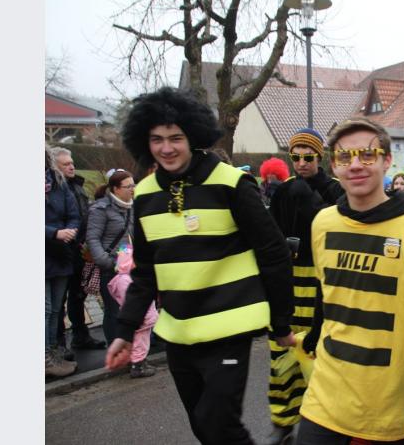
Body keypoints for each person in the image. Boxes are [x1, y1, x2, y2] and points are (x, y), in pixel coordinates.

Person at [105, 87, 295, 445]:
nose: (166, 148)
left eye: (176, 137)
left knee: (219, 424)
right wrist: (125, 330)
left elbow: (273, 252)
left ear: (193, 136)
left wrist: (281, 319)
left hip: (230, 328)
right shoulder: (144, 194)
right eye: (157, 139)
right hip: (178, 331)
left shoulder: (232, 184)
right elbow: (144, 271)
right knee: (202, 427)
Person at [297, 118, 404, 444]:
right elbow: (326, 294)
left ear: (387, 160)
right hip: (324, 397)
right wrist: (313, 335)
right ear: (334, 166)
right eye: (344, 157)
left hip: (389, 406)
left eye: (367, 155)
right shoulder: (323, 223)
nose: (355, 165)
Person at [265, 128, 345, 444]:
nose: (300, 163)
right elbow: (270, 232)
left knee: (319, 356)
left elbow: (337, 229)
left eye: (307, 157)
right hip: (288, 279)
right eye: (295, 157)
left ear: (319, 156)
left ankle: (325, 424)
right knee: (282, 354)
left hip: (320, 281)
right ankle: (283, 423)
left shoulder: (334, 189)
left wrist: (310, 200)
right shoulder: (283, 189)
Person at [50, 147, 106, 354]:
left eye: (72, 162)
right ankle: (58, 344)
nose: (72, 166)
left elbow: (85, 215)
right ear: (55, 167)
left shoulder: (78, 187)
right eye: (66, 164)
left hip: (80, 249)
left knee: (79, 295)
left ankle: (81, 336)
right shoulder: (54, 190)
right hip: (61, 250)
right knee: (58, 301)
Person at [86, 169, 136, 347]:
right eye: (128, 186)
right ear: (115, 189)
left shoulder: (133, 206)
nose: (132, 189)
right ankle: (115, 348)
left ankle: (132, 348)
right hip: (111, 268)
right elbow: (92, 239)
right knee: (113, 310)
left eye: (133, 185)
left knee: (131, 308)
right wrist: (107, 262)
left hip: (131, 266)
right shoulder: (101, 209)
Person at [45, 145, 80, 377]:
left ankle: (52, 352)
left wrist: (71, 231)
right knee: (44, 308)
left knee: (56, 309)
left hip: (61, 254)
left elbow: (74, 213)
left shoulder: (58, 183)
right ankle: (45, 358)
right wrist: (53, 233)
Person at [107, 247, 158, 378]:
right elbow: (136, 302)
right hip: (142, 318)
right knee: (141, 344)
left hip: (133, 318)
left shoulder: (120, 279)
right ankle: (138, 366)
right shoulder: (127, 280)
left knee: (136, 342)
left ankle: (138, 362)